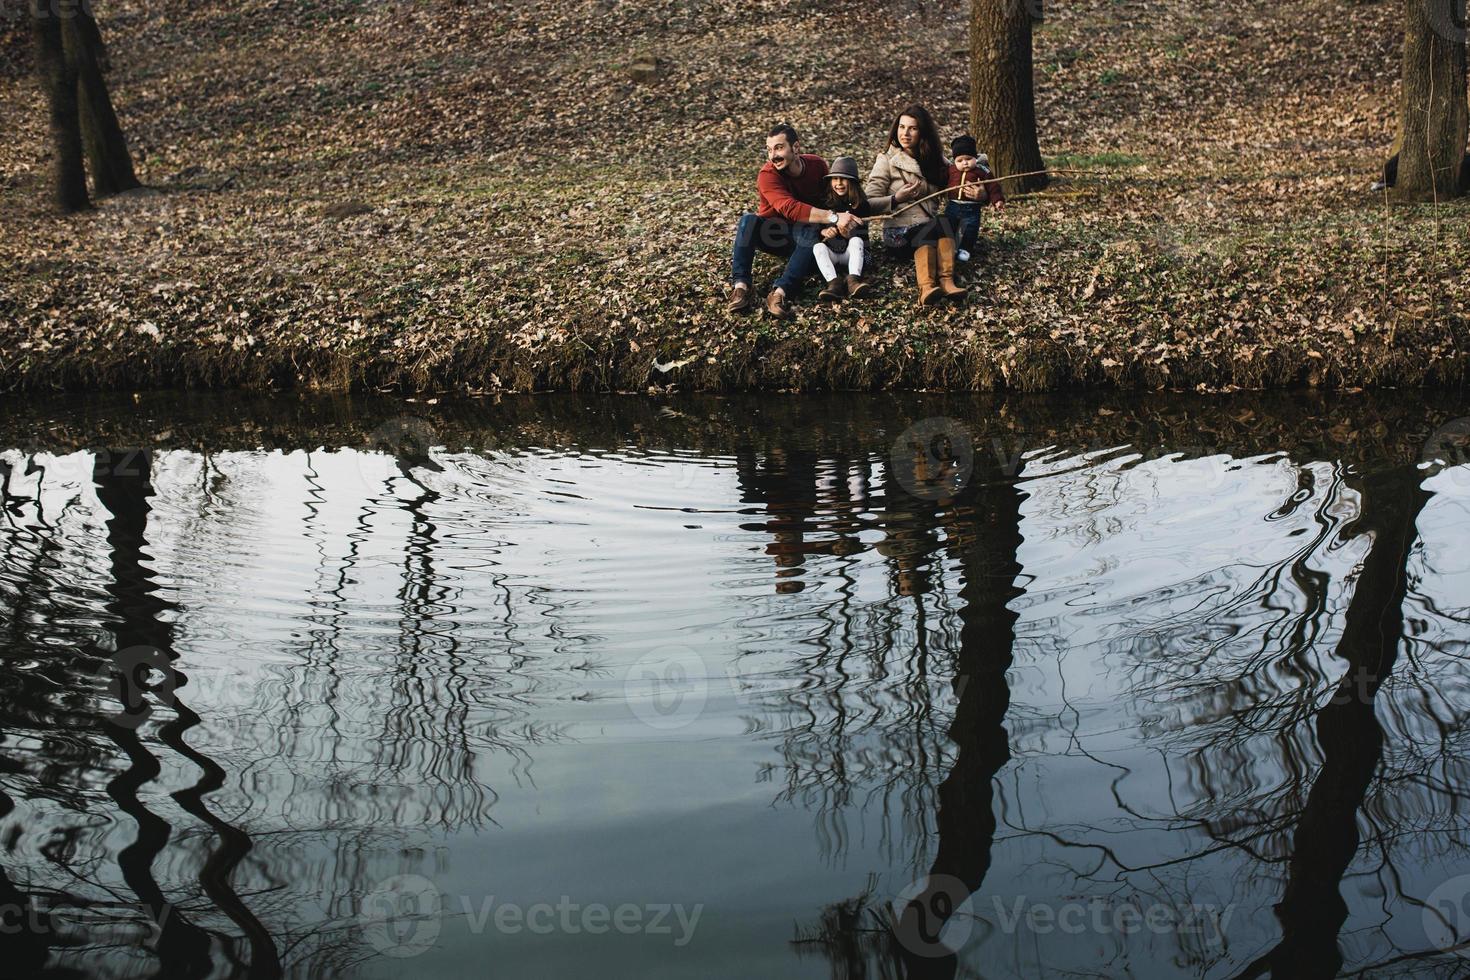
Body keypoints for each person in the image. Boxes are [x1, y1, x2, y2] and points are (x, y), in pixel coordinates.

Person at [727, 124, 865, 319]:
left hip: (808, 235)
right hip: (774, 234)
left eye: (779, 147)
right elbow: (789, 208)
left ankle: (780, 293)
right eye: (769, 149)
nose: (773, 155)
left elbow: (829, 200)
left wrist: (830, 226)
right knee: (748, 219)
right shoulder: (767, 175)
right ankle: (741, 287)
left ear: (796, 148)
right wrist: (833, 217)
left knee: (808, 231)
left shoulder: (817, 166)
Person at [864, 104, 966, 305]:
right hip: (898, 236)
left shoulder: (936, 160)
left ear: (923, 132)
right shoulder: (887, 160)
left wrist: (978, 192)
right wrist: (896, 199)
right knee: (932, 226)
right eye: (902, 127)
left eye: (913, 128)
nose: (905, 133)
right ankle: (926, 287)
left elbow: (960, 180)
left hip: (931, 230)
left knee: (945, 220)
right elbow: (867, 203)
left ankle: (946, 281)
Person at [812, 156, 876, 302]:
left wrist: (848, 234)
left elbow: (864, 237)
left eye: (843, 179)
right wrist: (823, 232)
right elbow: (815, 226)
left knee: (856, 241)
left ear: (852, 182)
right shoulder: (824, 202)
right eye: (835, 179)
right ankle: (834, 284)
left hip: (854, 255)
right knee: (818, 247)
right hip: (832, 252)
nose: (839, 183)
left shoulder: (861, 205)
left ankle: (853, 281)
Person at [945, 135, 1005, 264]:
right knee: (950, 226)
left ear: (975, 158)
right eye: (960, 160)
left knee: (970, 228)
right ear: (954, 161)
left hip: (972, 207)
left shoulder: (982, 171)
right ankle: (951, 247)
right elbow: (941, 179)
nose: (965, 163)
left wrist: (997, 200)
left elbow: (993, 186)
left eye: (968, 159)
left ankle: (965, 249)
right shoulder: (951, 170)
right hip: (953, 205)